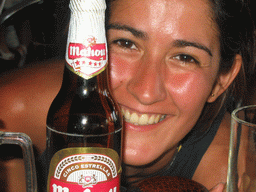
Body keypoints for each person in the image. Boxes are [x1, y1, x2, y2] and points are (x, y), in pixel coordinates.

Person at [0, 0, 255, 191]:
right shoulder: (16, 110)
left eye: (185, 57)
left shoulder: (234, 172)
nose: (145, 91)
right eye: (126, 43)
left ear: (222, 80)